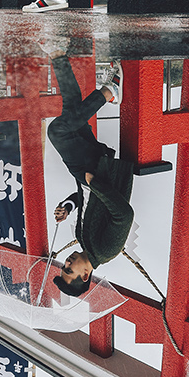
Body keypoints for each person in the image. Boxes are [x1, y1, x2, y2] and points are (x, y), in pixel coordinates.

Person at [46, 56, 133, 294]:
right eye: (68, 270)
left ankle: (59, 56)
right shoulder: (106, 250)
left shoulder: (83, 241)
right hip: (98, 171)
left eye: (63, 266)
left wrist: (68, 205)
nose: (66, 262)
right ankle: (109, 92)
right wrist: (95, 184)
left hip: (87, 174)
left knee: (72, 110)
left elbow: (84, 200)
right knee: (57, 131)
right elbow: (124, 215)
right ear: (85, 275)